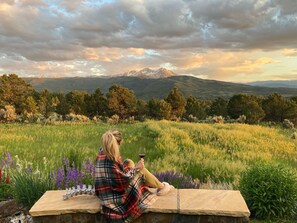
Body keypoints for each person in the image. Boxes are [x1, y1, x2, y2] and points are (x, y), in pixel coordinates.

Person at [95, 130, 173, 223]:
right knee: (141, 170)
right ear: (119, 142)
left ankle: (153, 183)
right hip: (116, 197)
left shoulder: (101, 154)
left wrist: (133, 167)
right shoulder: (111, 159)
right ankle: (162, 187)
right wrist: (136, 168)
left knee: (129, 162)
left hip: (105, 191)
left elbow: (117, 175)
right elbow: (124, 181)